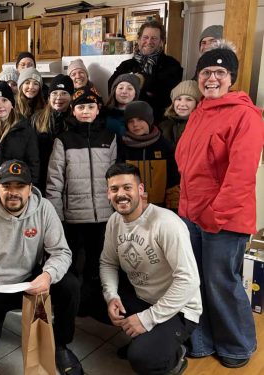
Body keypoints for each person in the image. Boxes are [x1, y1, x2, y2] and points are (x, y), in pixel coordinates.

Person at [0, 159, 83, 375]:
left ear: (30, 189)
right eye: (7, 186)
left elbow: (61, 252)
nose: (13, 193)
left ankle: (60, 344)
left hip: (28, 283)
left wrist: (48, 275)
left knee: (69, 285)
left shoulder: (44, 209)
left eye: (19, 186)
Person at [175, 42, 263, 368]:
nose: (212, 78)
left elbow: (240, 176)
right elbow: (191, 167)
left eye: (220, 73)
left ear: (231, 78)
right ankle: (202, 340)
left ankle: (238, 346)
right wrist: (187, 212)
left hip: (222, 219)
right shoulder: (199, 112)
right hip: (192, 215)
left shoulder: (245, 115)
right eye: (206, 72)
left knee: (220, 283)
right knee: (195, 282)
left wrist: (214, 216)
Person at [100, 163, 202, 375]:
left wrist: (146, 319)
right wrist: (111, 297)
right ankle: (146, 337)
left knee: (142, 359)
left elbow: (189, 280)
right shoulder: (114, 221)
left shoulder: (167, 223)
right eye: (114, 189)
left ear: (140, 190)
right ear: (108, 193)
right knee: (88, 296)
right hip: (143, 297)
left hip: (180, 309)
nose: (121, 195)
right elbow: (108, 262)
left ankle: (175, 355)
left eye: (127, 187)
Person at [46, 86, 116, 307]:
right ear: (73, 111)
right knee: (74, 263)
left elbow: (116, 178)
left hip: (104, 216)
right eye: (81, 107)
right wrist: (56, 217)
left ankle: (95, 303)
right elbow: (54, 182)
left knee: (99, 262)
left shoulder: (110, 137)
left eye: (90, 106)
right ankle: (74, 306)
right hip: (73, 217)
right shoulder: (63, 140)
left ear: (98, 109)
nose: (86, 111)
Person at [108, 20, 183, 123]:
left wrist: (141, 80)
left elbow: (168, 95)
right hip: (126, 119)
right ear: (139, 40)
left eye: (154, 38)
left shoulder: (172, 65)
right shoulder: (127, 64)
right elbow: (111, 86)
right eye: (145, 37)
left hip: (156, 121)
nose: (149, 41)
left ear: (161, 42)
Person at [119, 101, 180, 210]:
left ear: (149, 120)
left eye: (140, 119)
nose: (135, 124)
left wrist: (173, 209)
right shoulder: (122, 146)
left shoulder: (164, 145)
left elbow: (173, 181)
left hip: (161, 209)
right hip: (132, 208)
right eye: (130, 121)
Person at [31, 74, 74, 196]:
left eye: (64, 93)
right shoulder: (37, 119)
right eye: (55, 93)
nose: (59, 97)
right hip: (42, 177)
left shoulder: (75, 121)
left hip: (68, 177)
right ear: (49, 96)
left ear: (71, 96)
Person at [159, 80, 201, 149]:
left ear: (197, 103)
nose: (182, 104)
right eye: (178, 99)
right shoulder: (163, 126)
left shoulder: (201, 127)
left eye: (189, 99)